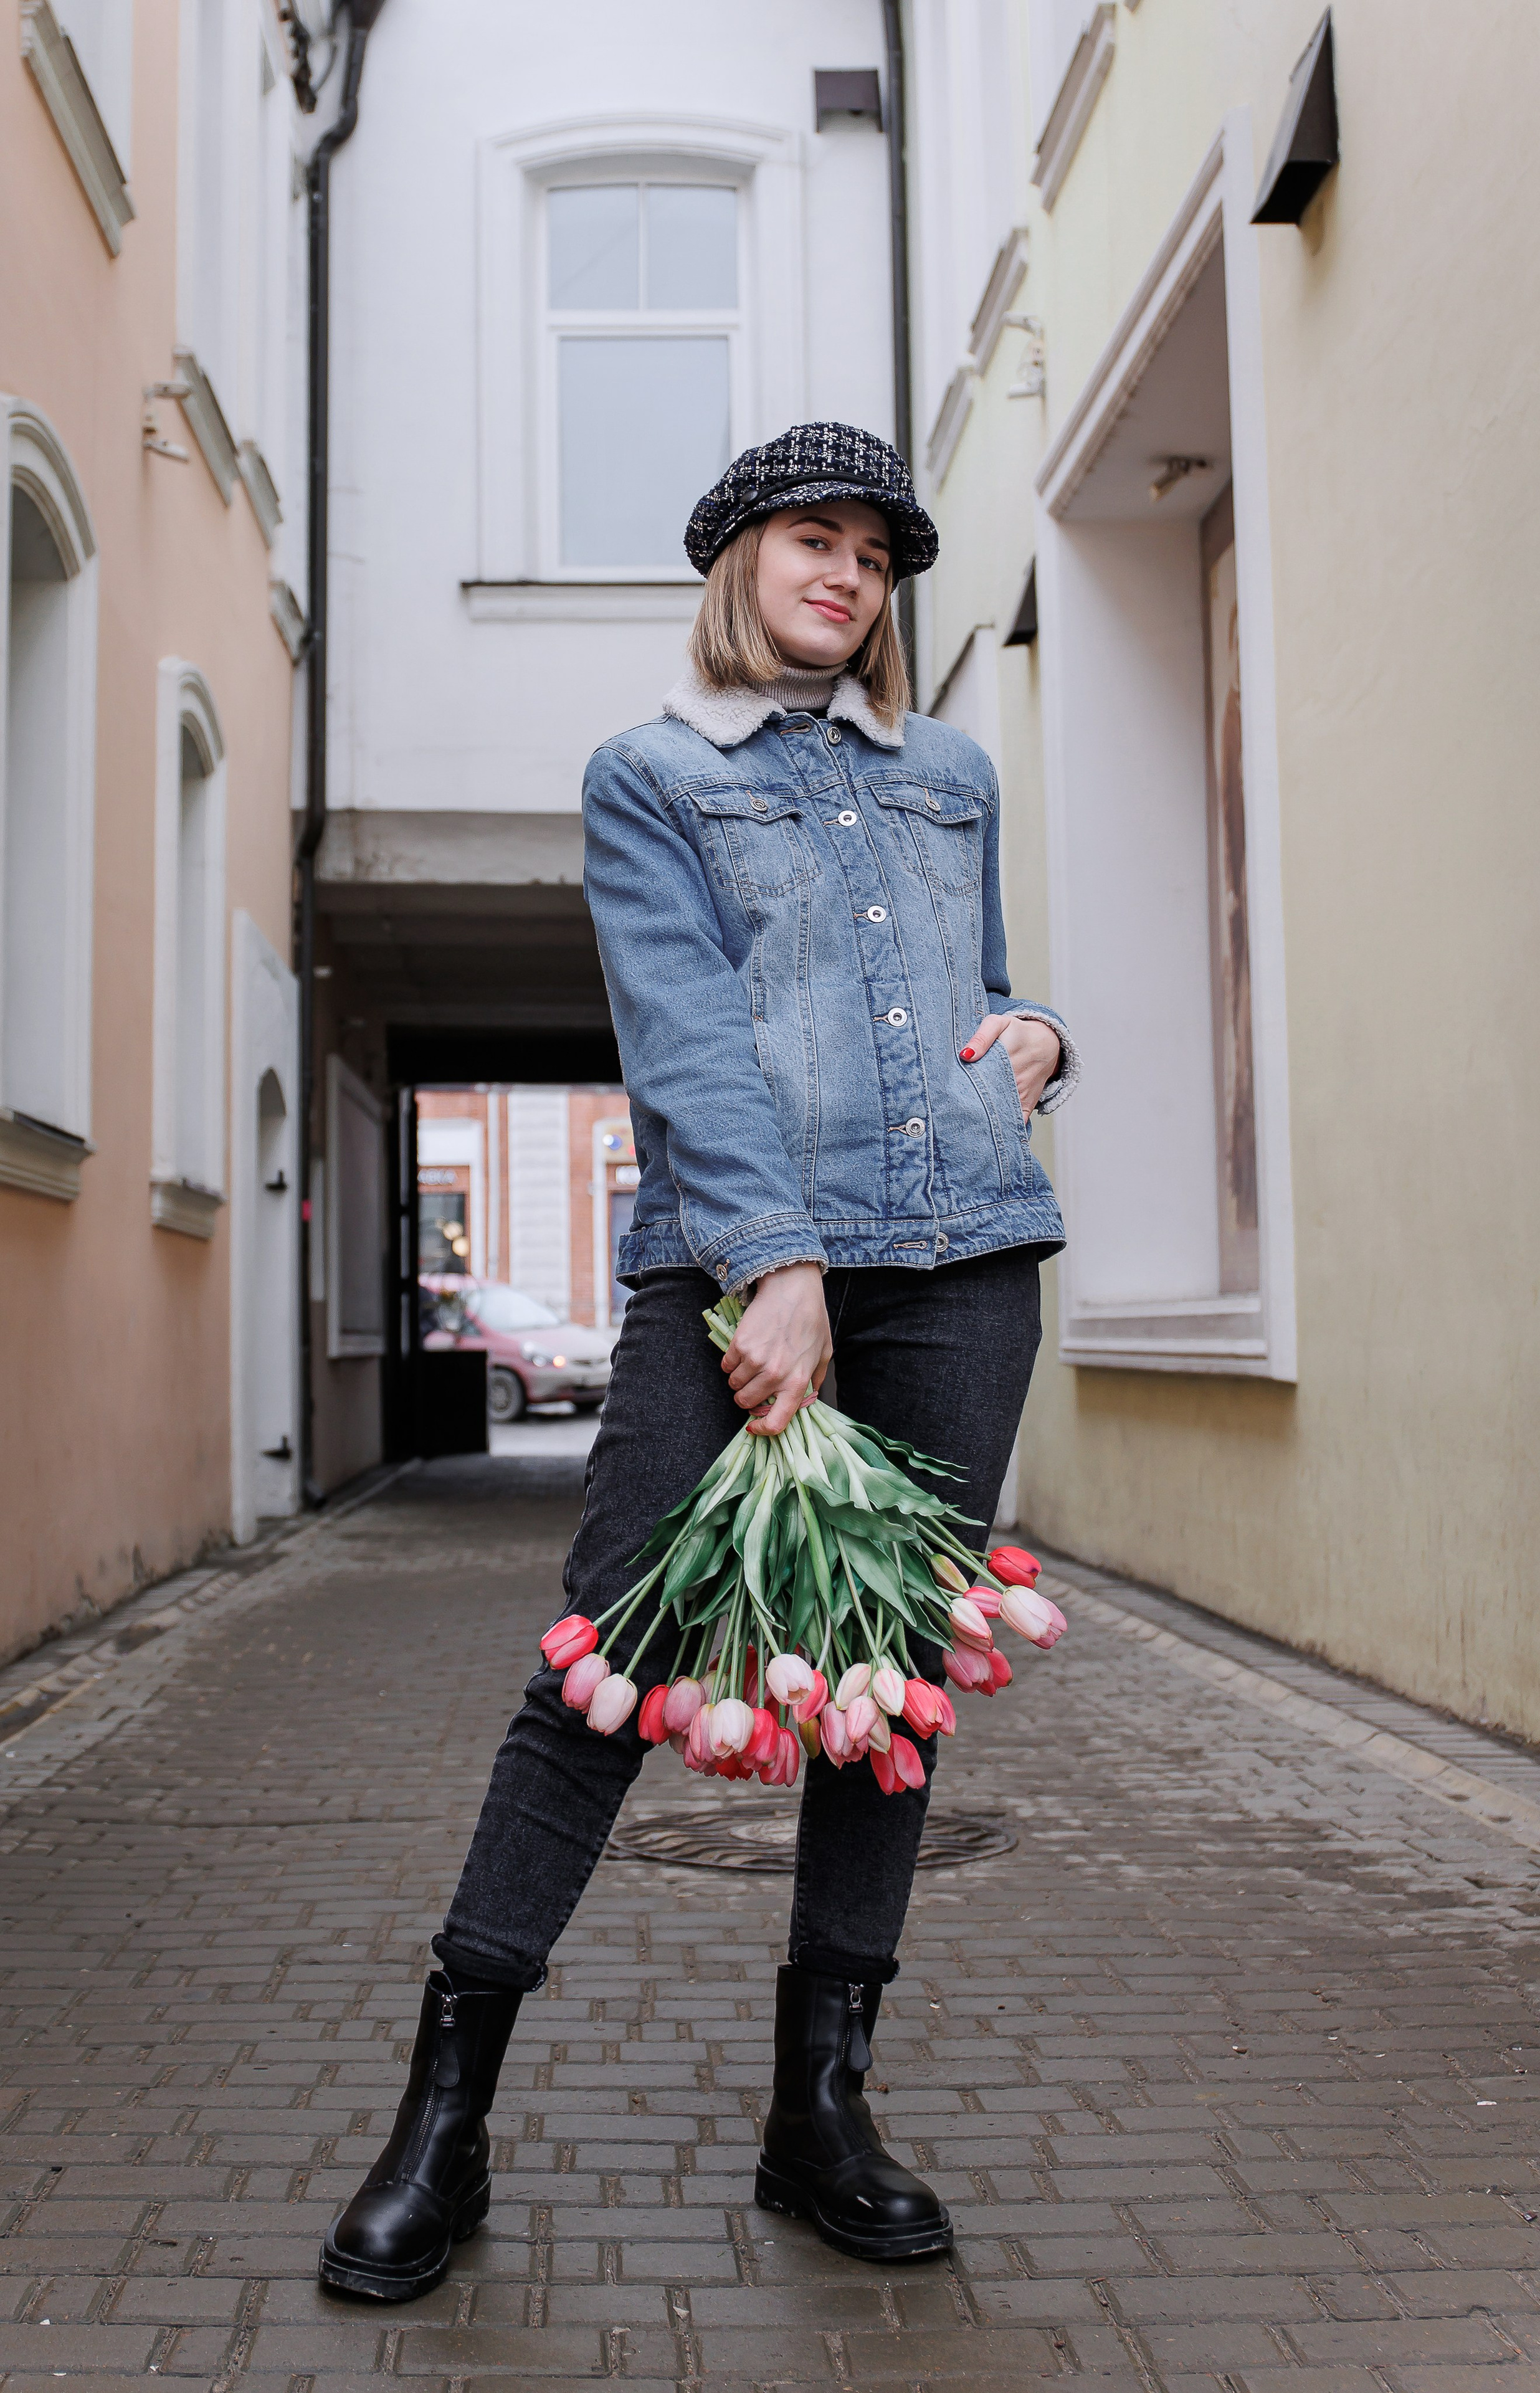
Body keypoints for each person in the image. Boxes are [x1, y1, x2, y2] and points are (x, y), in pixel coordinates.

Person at [319, 422, 1080, 2299]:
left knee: (889, 1691)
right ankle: (446, 2118)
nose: (848, 574)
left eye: (877, 555)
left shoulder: (954, 775)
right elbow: (687, 1040)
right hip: (739, 1274)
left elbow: (977, 987)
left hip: (971, 1261)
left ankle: (821, 2109)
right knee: (606, 1666)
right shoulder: (651, 775)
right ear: (738, 560)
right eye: (811, 540)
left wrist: (1044, 1032)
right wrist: (778, 1270)